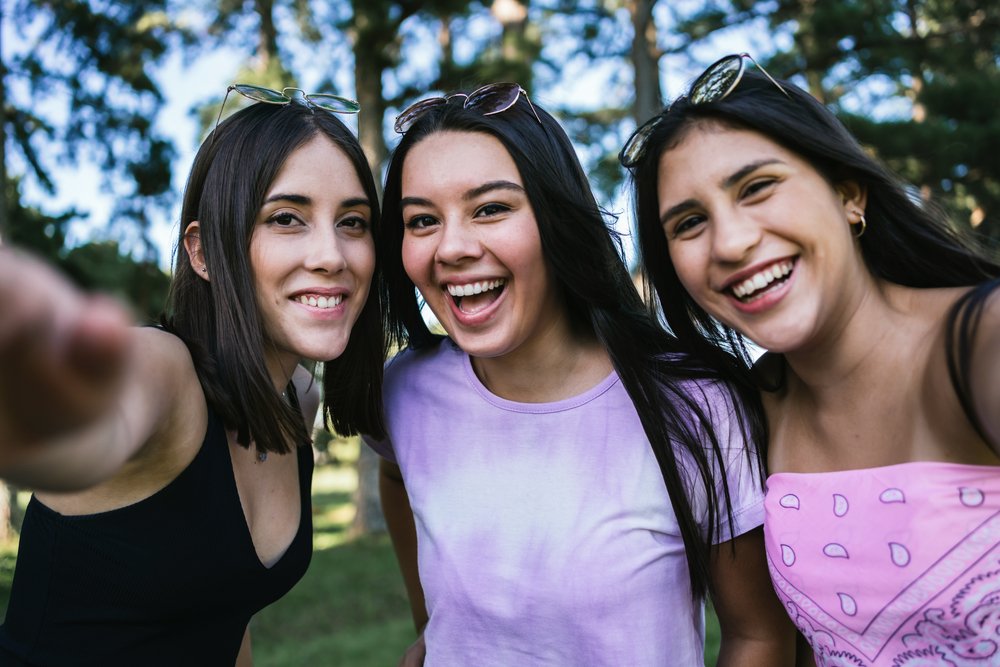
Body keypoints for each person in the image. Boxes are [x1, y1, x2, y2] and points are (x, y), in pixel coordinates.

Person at [365, 82, 795, 666]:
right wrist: (430, 628)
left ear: (556, 216)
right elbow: (397, 476)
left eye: (490, 208)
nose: (452, 247)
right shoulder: (406, 388)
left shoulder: (694, 404)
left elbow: (759, 637)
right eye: (421, 221)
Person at [624, 53, 1000, 666]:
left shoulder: (979, 342)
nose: (733, 242)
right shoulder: (758, 404)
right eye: (689, 222)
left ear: (849, 194)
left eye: (757, 188)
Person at [0, 85, 386, 665]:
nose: (333, 255)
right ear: (203, 252)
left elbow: (225, 615)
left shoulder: (296, 400)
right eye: (287, 218)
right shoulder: (161, 373)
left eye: (353, 222)